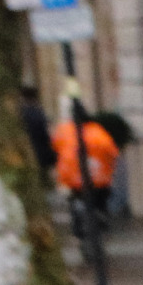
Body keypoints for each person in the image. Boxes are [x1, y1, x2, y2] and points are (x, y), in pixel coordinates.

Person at [52, 106, 118, 234]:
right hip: (98, 181)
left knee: (75, 200)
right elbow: (112, 152)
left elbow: (55, 147)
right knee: (101, 198)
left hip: (73, 181)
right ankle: (101, 217)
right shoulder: (98, 131)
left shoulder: (65, 130)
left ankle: (79, 223)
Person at [18, 86, 56, 179]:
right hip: (41, 149)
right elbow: (46, 132)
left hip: (28, 151)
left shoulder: (21, 113)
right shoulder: (38, 112)